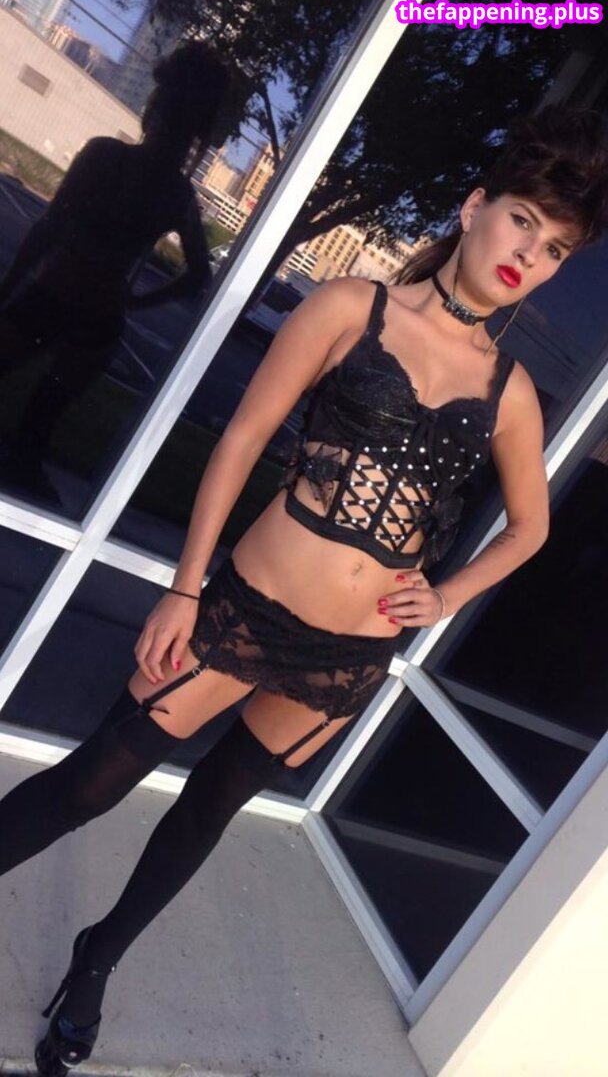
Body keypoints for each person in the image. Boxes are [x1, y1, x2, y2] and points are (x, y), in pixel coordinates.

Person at [1, 102, 607, 1075]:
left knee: (208, 811)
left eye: (553, 250)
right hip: (241, 610)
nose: (526, 255)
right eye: (521, 222)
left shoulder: (511, 392)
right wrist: (185, 589)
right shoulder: (351, 309)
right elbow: (242, 441)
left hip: (348, 657)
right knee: (92, 783)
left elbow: (530, 530)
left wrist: (445, 597)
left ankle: (97, 960)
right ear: (474, 207)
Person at [0, 40, 248, 504]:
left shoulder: (106, 156)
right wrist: (133, 301)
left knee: (30, 427)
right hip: (99, 320)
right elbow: (197, 276)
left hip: (52, 295)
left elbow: (48, 229)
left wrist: (8, 289)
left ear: (156, 108)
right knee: (35, 433)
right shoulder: (176, 195)